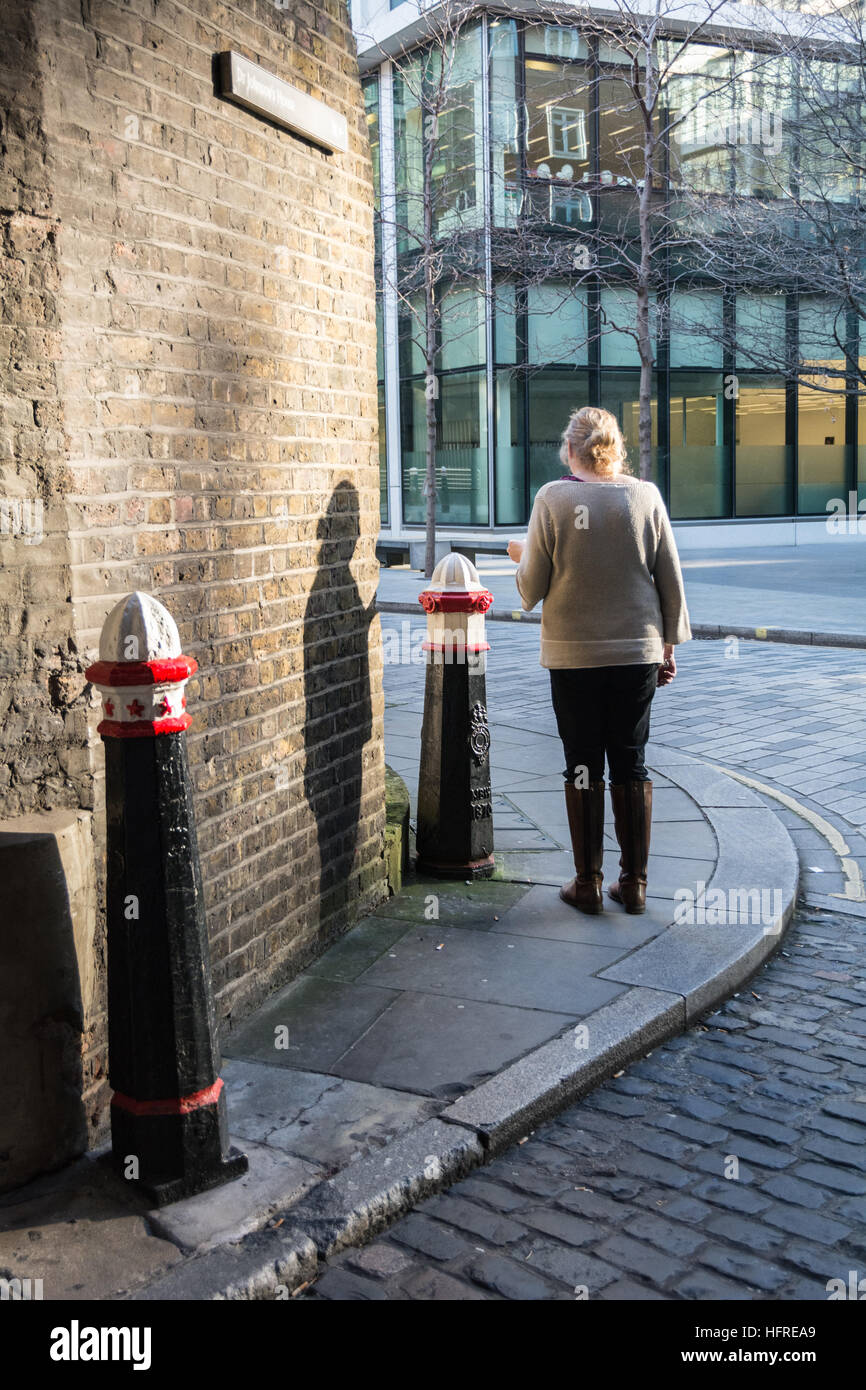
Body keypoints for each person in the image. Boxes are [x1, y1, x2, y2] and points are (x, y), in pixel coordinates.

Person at [507, 406, 691, 915]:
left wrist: (516, 553)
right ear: (616, 448)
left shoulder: (554, 498)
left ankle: (587, 882)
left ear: (570, 450)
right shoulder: (645, 496)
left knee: (582, 763)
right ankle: (634, 885)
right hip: (636, 651)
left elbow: (530, 590)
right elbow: (669, 579)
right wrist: (666, 648)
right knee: (631, 761)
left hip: (575, 656)